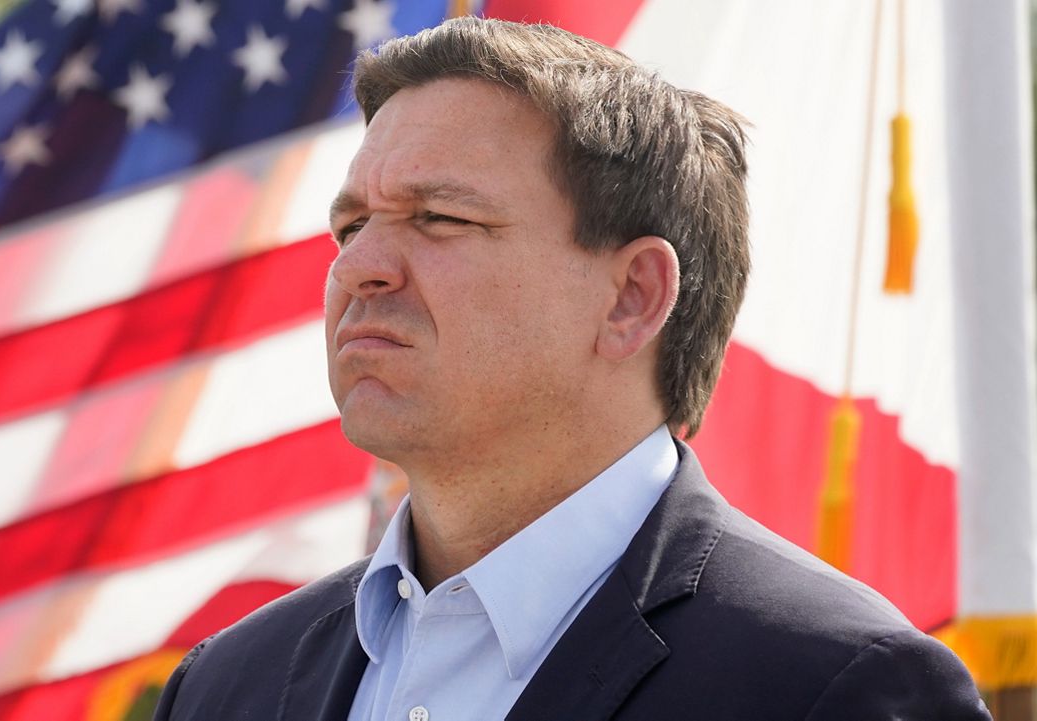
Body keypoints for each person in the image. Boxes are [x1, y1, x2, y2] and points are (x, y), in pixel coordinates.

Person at [153, 17, 989, 721]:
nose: (358, 266)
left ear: (632, 295)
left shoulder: (841, 688)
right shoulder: (227, 686)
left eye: (438, 217)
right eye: (350, 226)